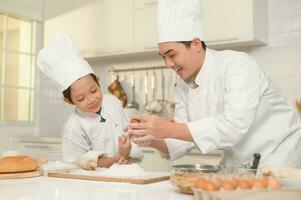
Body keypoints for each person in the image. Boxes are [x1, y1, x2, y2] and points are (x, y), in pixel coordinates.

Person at [127, 0, 301, 168]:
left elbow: (233, 126)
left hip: (278, 155)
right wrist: (153, 139)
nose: (168, 64)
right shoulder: (183, 82)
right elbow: (182, 140)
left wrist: (169, 128)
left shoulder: (238, 65)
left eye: (172, 55)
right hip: (238, 163)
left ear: (195, 44)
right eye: (163, 57)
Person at [37, 33, 143, 170]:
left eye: (93, 91)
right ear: (69, 101)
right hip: (95, 183)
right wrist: (119, 158)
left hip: (128, 171)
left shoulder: (113, 101)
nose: (91, 99)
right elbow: (78, 162)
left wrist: (130, 143)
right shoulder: (73, 127)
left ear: (98, 81)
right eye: (81, 99)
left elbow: (128, 133)